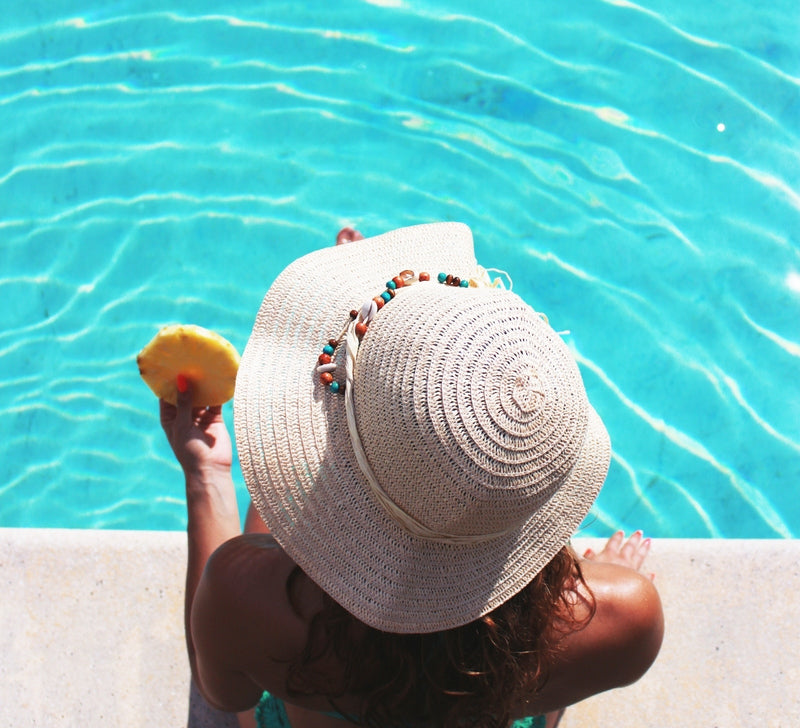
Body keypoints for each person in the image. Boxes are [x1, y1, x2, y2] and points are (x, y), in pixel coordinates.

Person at [160, 223, 663, 728]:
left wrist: (206, 477)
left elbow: (222, 696)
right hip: (496, 690)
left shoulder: (244, 595)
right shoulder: (627, 619)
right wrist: (603, 587)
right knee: (530, 665)